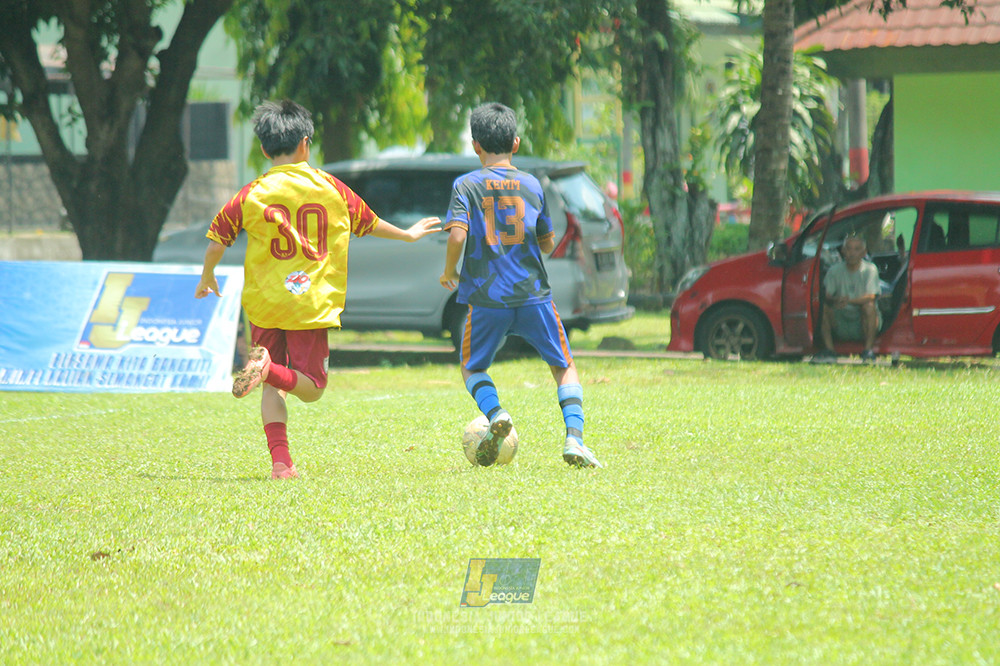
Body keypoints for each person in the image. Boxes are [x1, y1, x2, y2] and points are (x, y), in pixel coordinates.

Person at [196, 100, 440, 479]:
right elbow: (369, 222)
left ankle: (282, 464)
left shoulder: (251, 194)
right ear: (306, 144)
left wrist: (207, 275)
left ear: (263, 149)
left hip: (264, 304)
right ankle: (268, 369)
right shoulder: (331, 187)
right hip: (309, 304)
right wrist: (408, 234)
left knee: (271, 389)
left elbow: (216, 240)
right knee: (312, 389)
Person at [439, 102, 602, 468]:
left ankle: (495, 413)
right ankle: (574, 439)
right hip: (533, 296)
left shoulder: (465, 185)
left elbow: (456, 236)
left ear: (475, 145)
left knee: (472, 367)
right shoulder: (532, 184)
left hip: (485, 297)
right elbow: (547, 242)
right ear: (515, 143)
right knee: (563, 366)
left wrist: (450, 270)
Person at [812, 235, 881, 363]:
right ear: (843, 251)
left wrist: (849, 301)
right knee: (823, 308)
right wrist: (835, 300)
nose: (852, 253)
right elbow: (826, 295)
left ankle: (868, 351)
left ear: (864, 252)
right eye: (848, 249)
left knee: (869, 307)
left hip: (861, 320)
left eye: (856, 249)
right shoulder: (834, 271)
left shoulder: (870, 269)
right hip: (841, 317)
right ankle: (830, 351)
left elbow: (872, 296)